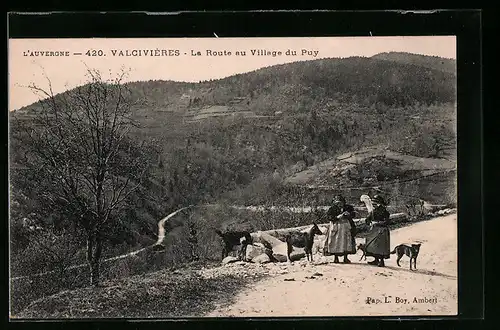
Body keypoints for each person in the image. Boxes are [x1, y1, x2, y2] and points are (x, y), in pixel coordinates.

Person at [323, 194, 357, 263]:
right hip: (336, 226)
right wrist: (337, 217)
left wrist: (349, 215)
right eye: (337, 202)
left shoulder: (348, 207)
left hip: (346, 226)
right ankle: (336, 257)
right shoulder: (332, 209)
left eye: (340, 202)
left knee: (346, 242)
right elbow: (329, 217)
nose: (339, 204)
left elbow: (354, 214)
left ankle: (345, 257)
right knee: (335, 241)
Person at [363, 195, 391, 267]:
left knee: (381, 246)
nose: (374, 204)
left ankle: (381, 261)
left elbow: (387, 222)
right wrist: (370, 222)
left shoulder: (385, 212)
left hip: (382, 230)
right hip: (373, 230)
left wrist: (377, 223)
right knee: (373, 245)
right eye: (373, 203)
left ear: (380, 203)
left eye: (375, 203)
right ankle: (376, 260)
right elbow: (367, 220)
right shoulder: (373, 211)